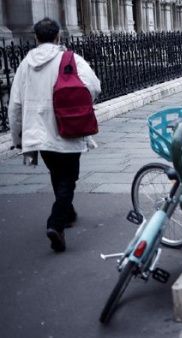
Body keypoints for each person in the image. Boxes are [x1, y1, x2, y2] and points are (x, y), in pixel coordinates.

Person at [8, 18, 101, 252]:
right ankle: (55, 224)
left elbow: (15, 105)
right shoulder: (71, 59)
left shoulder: (24, 65)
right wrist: (79, 106)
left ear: (36, 38)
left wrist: (17, 137)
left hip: (39, 133)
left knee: (57, 174)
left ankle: (67, 214)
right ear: (58, 36)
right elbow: (95, 86)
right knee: (69, 178)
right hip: (68, 128)